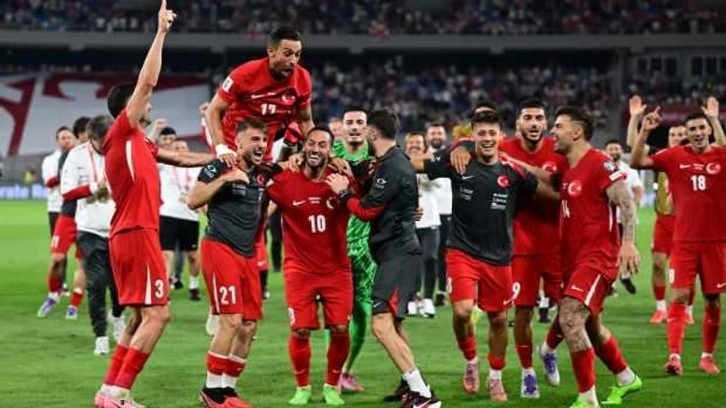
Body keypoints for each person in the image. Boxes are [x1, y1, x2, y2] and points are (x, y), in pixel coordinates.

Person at [93, 3, 215, 406]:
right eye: (144, 102)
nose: (151, 105)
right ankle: (119, 394)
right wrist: (161, 32)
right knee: (159, 315)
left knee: (140, 317)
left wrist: (221, 158)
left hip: (129, 232)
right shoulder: (120, 132)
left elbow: (179, 158)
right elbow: (146, 82)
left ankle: (108, 392)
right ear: (128, 107)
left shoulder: (139, 143)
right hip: (137, 231)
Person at [414, 111, 558, 402]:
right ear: (474, 136)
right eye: (482, 133)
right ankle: (471, 359)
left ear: (501, 136)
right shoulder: (459, 162)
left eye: (493, 133)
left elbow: (550, 193)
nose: (488, 138)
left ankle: (495, 377)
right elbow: (415, 164)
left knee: (498, 320)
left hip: (499, 257)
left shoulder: (512, 172)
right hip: (462, 251)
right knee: (462, 311)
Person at [326, 109, 441, 408]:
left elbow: (366, 211)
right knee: (394, 325)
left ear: (373, 133)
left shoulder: (392, 166)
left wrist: (342, 193)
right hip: (397, 252)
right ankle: (413, 388)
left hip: (398, 254)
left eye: (365, 128)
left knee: (380, 324)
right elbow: (371, 179)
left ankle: (424, 393)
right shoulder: (392, 160)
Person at [552, 106, 642, 407]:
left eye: (558, 126)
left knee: (569, 319)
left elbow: (626, 201)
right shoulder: (569, 167)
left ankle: (587, 398)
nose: (553, 131)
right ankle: (626, 377)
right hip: (573, 260)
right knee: (590, 326)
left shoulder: (599, 163)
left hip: (597, 258)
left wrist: (628, 243)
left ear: (576, 132)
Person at [188, 119, 278, 407]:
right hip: (220, 248)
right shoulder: (219, 166)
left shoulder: (264, 174)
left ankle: (228, 389)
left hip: (247, 254)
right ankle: (211, 390)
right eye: (254, 139)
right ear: (238, 143)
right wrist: (226, 179)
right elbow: (194, 200)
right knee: (231, 321)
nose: (261, 145)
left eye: (263, 140)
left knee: (249, 326)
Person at [631, 108, 726, 377]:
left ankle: (707, 357)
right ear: (687, 134)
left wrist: (715, 119)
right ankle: (674, 357)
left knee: (713, 300)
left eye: (701, 128)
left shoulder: (722, 155)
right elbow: (637, 161)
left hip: (716, 242)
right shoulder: (674, 156)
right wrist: (644, 131)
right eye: (692, 129)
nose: (697, 133)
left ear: (709, 130)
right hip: (684, 241)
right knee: (679, 296)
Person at [266, 127, 354, 406]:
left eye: (322, 145)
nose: (316, 149)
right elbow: (261, 182)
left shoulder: (342, 178)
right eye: (311, 144)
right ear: (304, 147)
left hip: (337, 270)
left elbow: (371, 198)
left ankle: (331, 386)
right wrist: (282, 161)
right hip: (299, 270)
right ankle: (302, 387)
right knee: (300, 331)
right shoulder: (285, 178)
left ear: (330, 150)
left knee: (340, 328)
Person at [497, 99, 569, 398]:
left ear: (546, 123)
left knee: (570, 311)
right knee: (523, 312)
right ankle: (528, 372)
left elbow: (561, 188)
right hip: (520, 245)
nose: (534, 123)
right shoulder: (503, 148)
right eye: (528, 117)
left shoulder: (559, 149)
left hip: (557, 245)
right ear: (518, 123)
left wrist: (523, 169)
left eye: (539, 117)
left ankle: (548, 349)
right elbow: (471, 143)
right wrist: (461, 148)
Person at [60, 114, 126, 355]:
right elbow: (66, 192)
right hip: (90, 230)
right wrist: (94, 187)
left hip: (120, 228)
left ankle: (117, 315)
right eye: (102, 141)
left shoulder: (122, 150)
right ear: (91, 137)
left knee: (120, 286)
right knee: (96, 284)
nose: (107, 145)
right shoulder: (76, 156)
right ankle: (100, 335)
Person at [205, 25, 314, 166]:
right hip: (232, 152)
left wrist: (321, 149)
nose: (293, 61)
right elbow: (213, 110)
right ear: (271, 51)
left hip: (263, 157)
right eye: (287, 54)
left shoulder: (302, 78)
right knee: (234, 179)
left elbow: (305, 121)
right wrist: (221, 148)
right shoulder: (245, 73)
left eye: (297, 54)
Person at [330, 106, 376, 393]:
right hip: (333, 246)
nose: (355, 126)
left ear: (367, 127)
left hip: (366, 247)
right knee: (336, 317)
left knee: (362, 314)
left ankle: (346, 371)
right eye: (350, 122)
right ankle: (332, 375)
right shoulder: (329, 154)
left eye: (360, 122)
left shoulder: (378, 156)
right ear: (342, 127)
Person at [37, 124, 86, 319]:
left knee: (83, 261)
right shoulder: (67, 156)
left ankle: (74, 304)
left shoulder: (100, 155)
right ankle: (52, 295)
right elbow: (62, 186)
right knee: (57, 257)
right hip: (66, 213)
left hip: (88, 216)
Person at [159, 137, 202, 300]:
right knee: (166, 256)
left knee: (193, 256)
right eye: (176, 147)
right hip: (167, 215)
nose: (180, 150)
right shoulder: (164, 166)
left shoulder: (196, 168)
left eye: (183, 147)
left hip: (190, 216)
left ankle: (194, 285)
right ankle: (164, 292)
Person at [404, 131, 440, 318]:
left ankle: (427, 299)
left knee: (430, 258)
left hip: (430, 219)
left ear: (424, 146)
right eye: (411, 142)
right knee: (410, 261)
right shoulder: (399, 163)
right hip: (407, 221)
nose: (415, 145)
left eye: (418, 142)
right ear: (406, 146)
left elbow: (438, 184)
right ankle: (411, 298)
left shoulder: (432, 163)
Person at [603, 138, 643, 295]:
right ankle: (611, 283)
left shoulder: (630, 171)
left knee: (627, 246)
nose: (614, 151)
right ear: (606, 152)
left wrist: (632, 206)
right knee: (609, 252)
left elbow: (638, 189)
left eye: (616, 148)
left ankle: (625, 276)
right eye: (611, 149)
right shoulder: (602, 169)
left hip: (625, 219)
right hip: (607, 220)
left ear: (621, 151)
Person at [424, 122, 452, 307]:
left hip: (448, 211)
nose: (436, 135)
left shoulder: (452, 155)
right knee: (428, 256)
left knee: (444, 255)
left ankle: (441, 291)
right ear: (427, 136)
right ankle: (423, 293)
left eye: (439, 133)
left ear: (444, 136)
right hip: (427, 214)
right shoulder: (422, 156)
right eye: (433, 133)